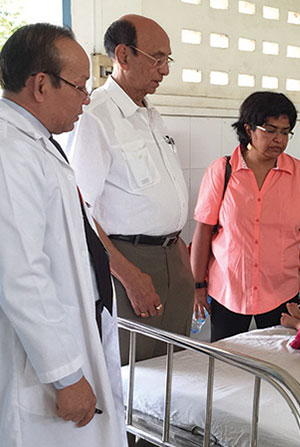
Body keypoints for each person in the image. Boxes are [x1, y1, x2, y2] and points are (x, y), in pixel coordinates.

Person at [0, 23, 124, 446]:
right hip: (41, 370)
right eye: (80, 85)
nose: (87, 99)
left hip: (70, 335)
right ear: (40, 84)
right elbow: (20, 274)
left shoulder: (38, 143)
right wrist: (66, 375)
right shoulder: (9, 152)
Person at [67, 15, 194, 364]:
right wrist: (129, 275)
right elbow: (79, 211)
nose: (164, 69)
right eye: (157, 58)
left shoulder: (151, 116)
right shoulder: (96, 116)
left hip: (172, 258)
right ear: (123, 55)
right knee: (132, 372)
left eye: (167, 59)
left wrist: (178, 252)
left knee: (176, 367)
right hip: (127, 262)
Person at [192, 91, 300, 342]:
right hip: (229, 290)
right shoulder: (222, 170)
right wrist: (198, 287)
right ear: (248, 129)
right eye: (270, 130)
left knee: (281, 362)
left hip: (281, 291)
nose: (278, 139)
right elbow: (203, 232)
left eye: (285, 132)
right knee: (228, 363)